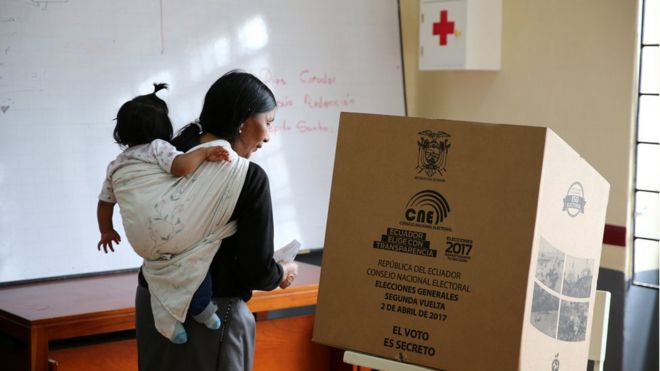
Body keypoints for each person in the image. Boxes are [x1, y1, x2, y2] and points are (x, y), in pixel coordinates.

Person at [134, 70, 298, 371]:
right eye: (268, 122)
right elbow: (255, 269)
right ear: (244, 120)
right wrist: (281, 271)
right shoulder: (248, 177)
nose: (268, 135)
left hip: (154, 300)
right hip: (210, 314)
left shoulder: (169, 153)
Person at [96, 83, 230, 344]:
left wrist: (106, 230)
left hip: (140, 242)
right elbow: (180, 167)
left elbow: (104, 203)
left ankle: (169, 324)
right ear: (162, 128)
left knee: (157, 271)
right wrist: (203, 153)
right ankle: (201, 308)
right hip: (169, 226)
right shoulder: (158, 148)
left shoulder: (115, 165)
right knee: (194, 258)